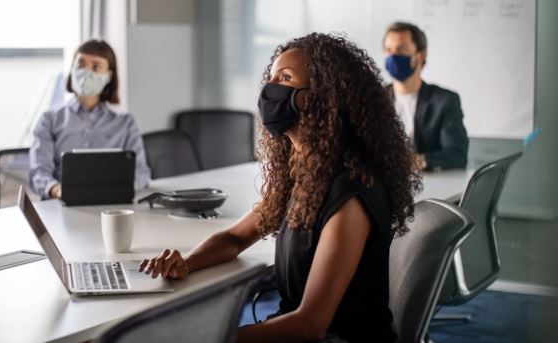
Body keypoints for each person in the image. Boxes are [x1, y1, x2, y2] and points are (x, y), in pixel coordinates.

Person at [139, 33, 421, 342]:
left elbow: (310, 325)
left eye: (284, 78)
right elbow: (234, 238)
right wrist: (186, 263)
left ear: (321, 98)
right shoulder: (303, 175)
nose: (270, 90)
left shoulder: (350, 194)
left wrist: (213, 337)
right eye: (271, 77)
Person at [29, 40, 151, 199]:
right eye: (80, 64)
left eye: (95, 67)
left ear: (109, 76)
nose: (86, 71)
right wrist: (58, 190)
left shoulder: (125, 124)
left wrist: (111, 189)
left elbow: (141, 174)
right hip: (61, 205)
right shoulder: (49, 121)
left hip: (113, 206)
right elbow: (38, 173)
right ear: (72, 69)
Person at [383, 21, 469, 171]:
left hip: (428, 186)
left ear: (421, 55)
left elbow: (457, 155)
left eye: (401, 49)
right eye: (389, 50)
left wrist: (417, 161)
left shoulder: (445, 101)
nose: (393, 56)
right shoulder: (375, 100)